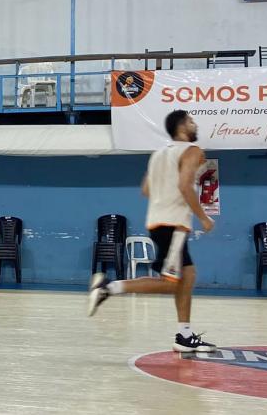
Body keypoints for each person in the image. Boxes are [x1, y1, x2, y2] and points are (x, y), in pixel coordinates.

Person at [88, 110, 217, 353]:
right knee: (170, 284)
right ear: (181, 128)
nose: (194, 124)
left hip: (159, 222)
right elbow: (184, 185)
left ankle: (184, 335)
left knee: (188, 276)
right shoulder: (192, 150)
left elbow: (146, 189)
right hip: (174, 226)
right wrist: (203, 217)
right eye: (191, 121)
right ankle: (108, 287)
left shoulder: (158, 155)